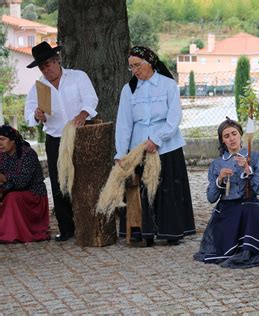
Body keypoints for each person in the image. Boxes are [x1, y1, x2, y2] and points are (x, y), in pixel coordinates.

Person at [115, 46, 195, 247]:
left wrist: (157, 139)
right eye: (131, 67)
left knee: (167, 189)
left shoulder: (168, 85)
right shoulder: (129, 90)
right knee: (142, 190)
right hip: (139, 148)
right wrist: (121, 153)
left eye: (137, 65)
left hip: (167, 146)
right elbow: (124, 123)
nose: (134, 70)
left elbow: (174, 117)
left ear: (149, 63)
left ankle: (171, 232)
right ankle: (144, 232)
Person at [24, 41, 99, 242]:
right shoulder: (39, 88)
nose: (46, 69)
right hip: (56, 138)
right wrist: (37, 114)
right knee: (59, 183)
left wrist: (83, 114)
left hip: (81, 135)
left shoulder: (78, 77)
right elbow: (29, 115)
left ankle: (90, 223)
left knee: (84, 180)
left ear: (57, 61)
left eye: (48, 64)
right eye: (42, 67)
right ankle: (67, 228)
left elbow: (91, 100)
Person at [193, 118, 259, 268]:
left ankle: (248, 250)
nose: (231, 138)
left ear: (240, 136)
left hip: (250, 205)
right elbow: (211, 198)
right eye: (226, 136)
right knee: (229, 213)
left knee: (251, 210)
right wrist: (219, 180)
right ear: (222, 141)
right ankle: (232, 248)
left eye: (234, 134)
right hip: (227, 208)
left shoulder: (256, 158)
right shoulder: (217, 164)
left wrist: (248, 170)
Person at [0, 125, 49, 243]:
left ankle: (10, 233)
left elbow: (22, 182)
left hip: (34, 195)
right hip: (11, 191)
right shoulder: (2, 155)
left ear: (13, 140)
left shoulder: (28, 154)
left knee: (11, 198)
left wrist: (4, 180)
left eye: (2, 139)